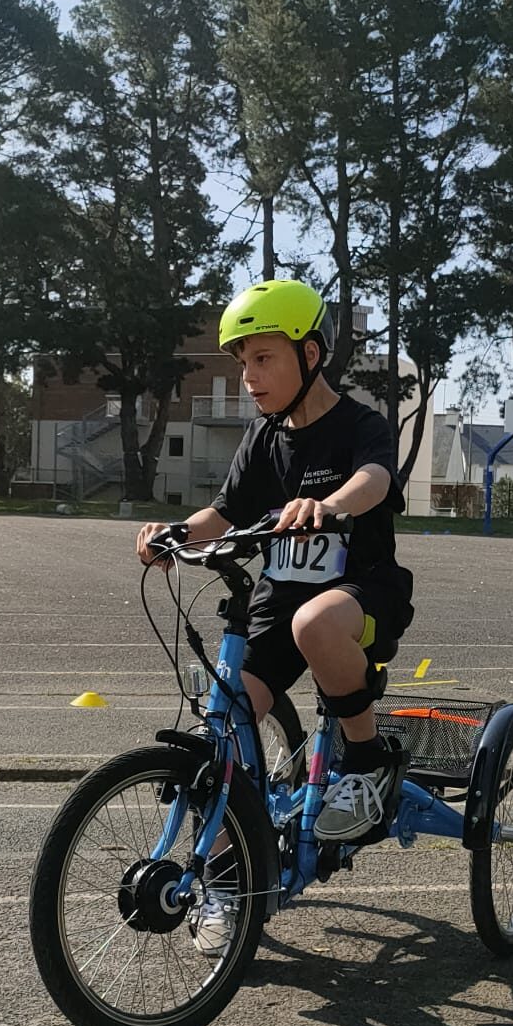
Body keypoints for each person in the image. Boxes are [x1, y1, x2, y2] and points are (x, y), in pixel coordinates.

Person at [136, 279, 415, 944]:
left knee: (313, 624)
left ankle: (368, 760)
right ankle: (229, 883)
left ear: (310, 354)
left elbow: (374, 480)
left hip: (363, 591)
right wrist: (172, 535)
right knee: (224, 724)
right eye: (243, 361)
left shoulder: (359, 426)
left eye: (264, 358)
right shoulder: (263, 439)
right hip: (278, 602)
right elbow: (224, 514)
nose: (249, 376)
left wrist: (332, 505)